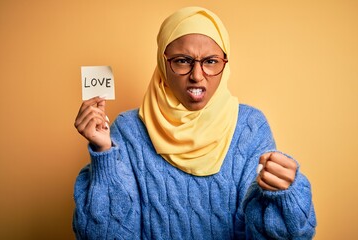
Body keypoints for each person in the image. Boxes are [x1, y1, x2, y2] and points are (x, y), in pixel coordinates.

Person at [73, 6, 317, 239]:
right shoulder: (127, 130)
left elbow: (265, 234)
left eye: (210, 61)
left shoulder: (250, 128)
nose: (197, 76)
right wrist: (104, 156)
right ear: (162, 62)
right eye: (182, 60)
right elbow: (105, 234)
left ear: (224, 63)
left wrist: (282, 195)